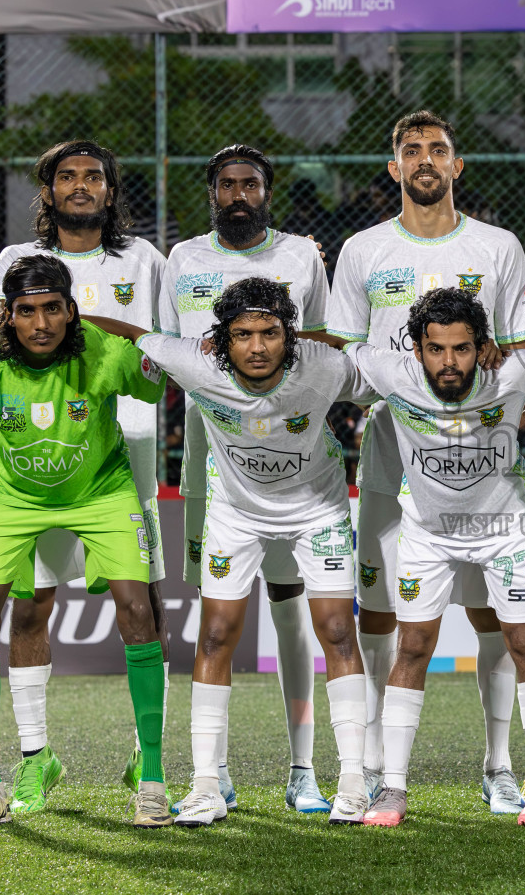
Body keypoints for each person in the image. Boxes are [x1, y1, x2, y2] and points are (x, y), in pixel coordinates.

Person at [102, 278, 376, 826]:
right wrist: (24, 322)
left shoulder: (325, 367)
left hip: (317, 508)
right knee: (215, 634)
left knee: (338, 632)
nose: (257, 347)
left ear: (288, 336)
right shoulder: (197, 364)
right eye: (243, 334)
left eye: (270, 333)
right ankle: (206, 785)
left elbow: (392, 369)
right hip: (235, 512)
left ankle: (352, 778)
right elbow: (131, 333)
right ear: (221, 340)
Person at [327, 110, 525, 813]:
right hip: (393, 450)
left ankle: (499, 763)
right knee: (384, 614)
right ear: (394, 168)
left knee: (493, 617)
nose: (425, 159)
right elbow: (343, 358)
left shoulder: (498, 247)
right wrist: (391, 389)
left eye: (438, 149)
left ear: (457, 165)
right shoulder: (361, 251)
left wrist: (504, 430)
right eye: (411, 150)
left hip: (481, 461)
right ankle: (374, 767)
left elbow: (521, 355)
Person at [0, 140, 170, 810]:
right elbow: (2, 339)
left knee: (142, 603)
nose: (81, 187)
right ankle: (34, 758)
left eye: (93, 177)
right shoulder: (12, 264)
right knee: (33, 604)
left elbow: (160, 350)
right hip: (45, 455)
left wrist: (86, 325)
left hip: (127, 449)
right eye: (67, 178)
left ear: (110, 192)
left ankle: (147, 757)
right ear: (47, 192)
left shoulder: (143, 261)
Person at [160, 144, 334, 815]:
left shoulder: (300, 257)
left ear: (268, 191)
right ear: (213, 192)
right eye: (228, 184)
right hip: (212, 458)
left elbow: (320, 347)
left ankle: (303, 770)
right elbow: (167, 351)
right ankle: (215, 774)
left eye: (250, 184)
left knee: (293, 610)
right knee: (220, 615)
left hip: (289, 461)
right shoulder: (183, 260)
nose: (239, 194)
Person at [345, 289, 525, 828]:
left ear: (481, 346)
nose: (449, 362)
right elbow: (333, 353)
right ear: (416, 349)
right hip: (427, 535)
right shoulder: (392, 373)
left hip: (503, 532)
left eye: (462, 348)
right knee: (411, 646)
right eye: (436, 349)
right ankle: (392, 788)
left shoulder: (512, 373)